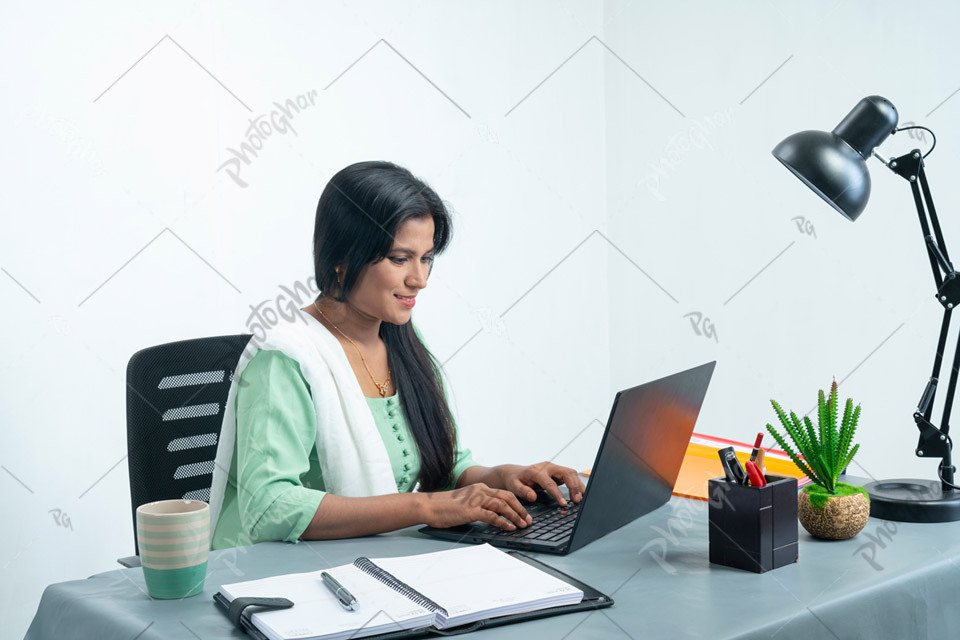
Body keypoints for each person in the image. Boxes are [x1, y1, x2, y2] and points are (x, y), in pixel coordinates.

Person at [209, 161, 585, 549]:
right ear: (341, 258)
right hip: (269, 578)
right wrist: (425, 508)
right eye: (400, 258)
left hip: (370, 563)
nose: (419, 279)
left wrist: (503, 477)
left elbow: (442, 466)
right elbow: (269, 506)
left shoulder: (400, 338)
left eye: (427, 258)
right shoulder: (286, 359)